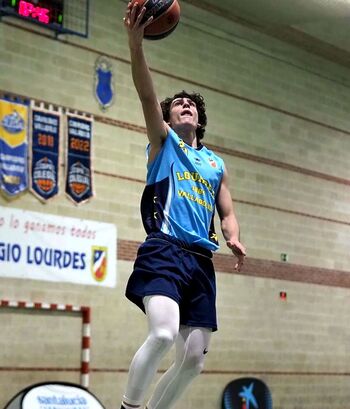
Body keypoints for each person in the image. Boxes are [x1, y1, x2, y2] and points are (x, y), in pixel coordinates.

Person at [121, 3, 246, 409]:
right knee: (161, 334)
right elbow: (146, 91)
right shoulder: (164, 145)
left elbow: (226, 210)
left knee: (193, 361)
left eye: (191, 104)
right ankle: (129, 407)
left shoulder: (215, 163)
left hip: (200, 261)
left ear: (199, 118)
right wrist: (136, 45)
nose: (185, 105)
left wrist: (234, 237)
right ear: (168, 119)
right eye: (177, 104)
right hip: (165, 249)